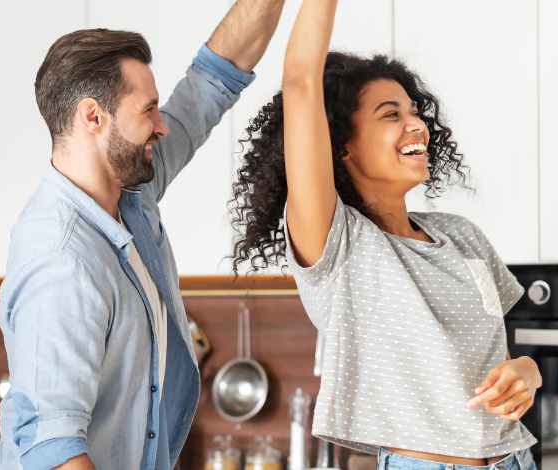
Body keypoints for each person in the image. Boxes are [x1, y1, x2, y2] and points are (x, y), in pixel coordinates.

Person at [229, 1, 541, 469]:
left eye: (415, 112)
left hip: (516, 460)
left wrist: (528, 371)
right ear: (342, 146)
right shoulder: (339, 246)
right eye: (390, 114)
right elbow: (300, 81)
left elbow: (504, 353)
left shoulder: (463, 236)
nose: (417, 124)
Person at [0, 2, 285, 470]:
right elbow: (52, 448)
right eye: (147, 110)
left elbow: (213, 82)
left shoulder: (131, 190)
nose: (162, 125)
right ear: (93, 117)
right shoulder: (61, 256)